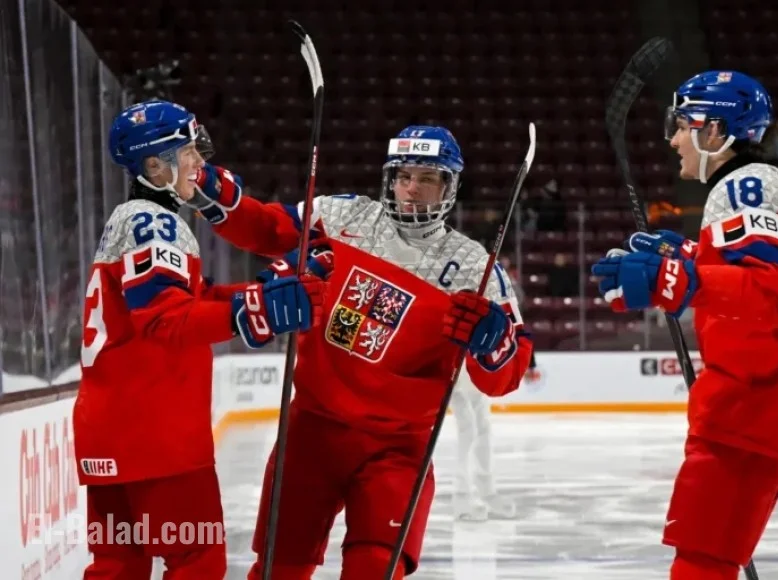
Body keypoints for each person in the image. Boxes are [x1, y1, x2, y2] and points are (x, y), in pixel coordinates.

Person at [191, 125, 533, 579]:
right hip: (311, 432)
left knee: (374, 570)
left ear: (450, 187)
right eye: (403, 176)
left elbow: (505, 375)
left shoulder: (474, 267)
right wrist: (210, 189)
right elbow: (265, 228)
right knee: (278, 569)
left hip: (398, 449)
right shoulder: (341, 218)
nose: (412, 189)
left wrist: (494, 343)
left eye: (427, 179)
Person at [591, 71, 778, 579]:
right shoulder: (769, 184)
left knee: (702, 561)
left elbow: (771, 292)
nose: (673, 140)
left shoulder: (742, 187)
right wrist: (688, 255)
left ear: (716, 131)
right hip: (775, 403)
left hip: (755, 406)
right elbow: (759, 272)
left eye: (682, 125)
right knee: (710, 555)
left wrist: (677, 280)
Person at [73, 100, 323, 579]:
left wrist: (261, 291)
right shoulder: (155, 221)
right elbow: (167, 320)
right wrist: (252, 314)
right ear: (153, 164)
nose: (199, 164)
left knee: (118, 563)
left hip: (109, 429)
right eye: (186, 151)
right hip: (156, 431)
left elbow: (194, 296)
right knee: (198, 561)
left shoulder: (130, 219)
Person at [450, 365, 517, 521]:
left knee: (483, 425)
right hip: (451, 361)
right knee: (468, 428)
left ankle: (486, 491)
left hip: (473, 361)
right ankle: (462, 496)